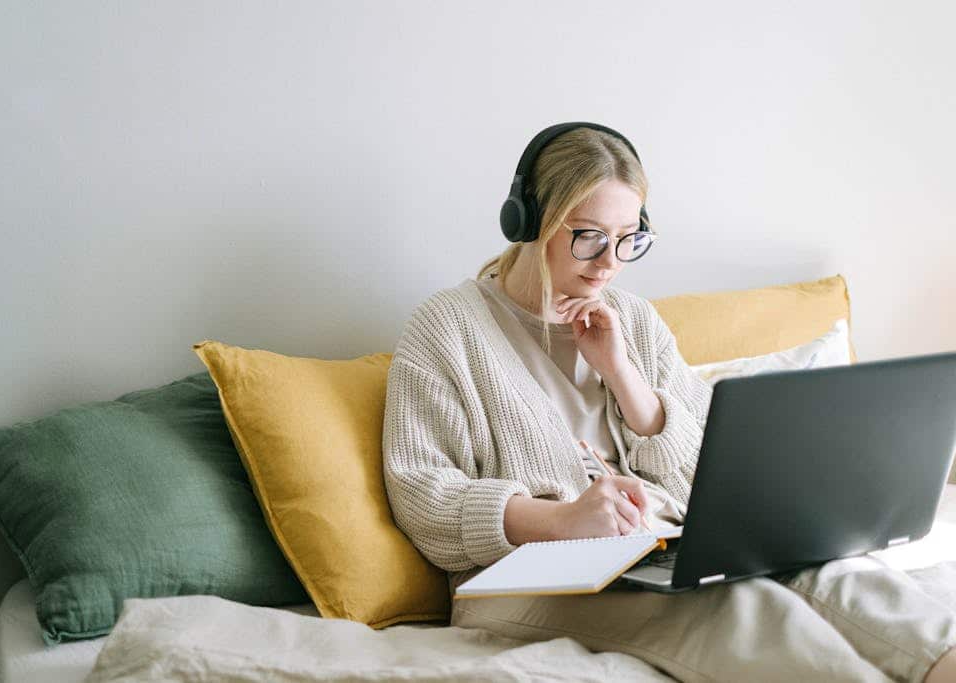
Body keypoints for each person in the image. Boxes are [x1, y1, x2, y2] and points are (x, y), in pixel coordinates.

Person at [381, 123, 956, 682]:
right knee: (749, 614)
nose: (610, 262)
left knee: (847, 578)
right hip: (520, 579)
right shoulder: (446, 329)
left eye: (628, 239)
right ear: (530, 221)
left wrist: (623, 375)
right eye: (588, 236)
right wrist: (562, 520)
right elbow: (422, 494)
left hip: (662, 548)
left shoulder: (632, 320)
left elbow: (707, 468)